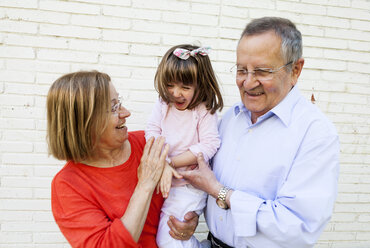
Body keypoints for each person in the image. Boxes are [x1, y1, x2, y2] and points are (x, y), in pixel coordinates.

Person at [179, 17, 340, 248]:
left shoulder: (315, 134)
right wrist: (192, 215)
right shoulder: (230, 119)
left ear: (295, 70)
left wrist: (220, 192)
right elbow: (206, 183)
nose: (248, 82)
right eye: (242, 70)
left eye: (262, 71)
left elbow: (298, 227)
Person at [47, 71, 198, 248]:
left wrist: (189, 219)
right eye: (113, 108)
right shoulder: (69, 185)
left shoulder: (148, 144)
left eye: (119, 102)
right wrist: (145, 184)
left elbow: (189, 187)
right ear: (84, 122)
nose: (126, 113)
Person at [145, 44, 223, 248]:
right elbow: (152, 131)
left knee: (170, 236)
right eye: (170, 85)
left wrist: (170, 163)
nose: (176, 93)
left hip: (190, 185)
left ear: (201, 85)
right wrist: (162, 163)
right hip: (166, 182)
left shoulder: (203, 109)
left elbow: (209, 144)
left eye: (185, 88)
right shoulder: (163, 103)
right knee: (169, 234)